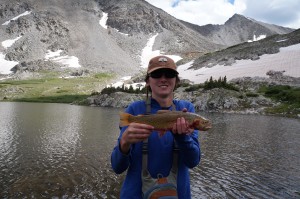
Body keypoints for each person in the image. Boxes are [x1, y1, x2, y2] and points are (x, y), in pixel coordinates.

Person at [111, 55, 201, 199]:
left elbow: (193, 161)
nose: (163, 78)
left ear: (176, 81)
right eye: (157, 74)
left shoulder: (187, 109)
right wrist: (124, 143)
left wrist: (182, 137)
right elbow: (117, 167)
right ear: (148, 81)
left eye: (170, 74)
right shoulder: (134, 110)